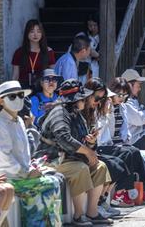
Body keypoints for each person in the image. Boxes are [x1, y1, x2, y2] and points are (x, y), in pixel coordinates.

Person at [0, 81, 62, 226]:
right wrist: (27, 172)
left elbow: (24, 155)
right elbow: (3, 160)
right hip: (2, 176)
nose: (18, 99)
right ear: (1, 101)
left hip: (18, 174)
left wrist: (31, 169)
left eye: (20, 95)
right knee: (51, 183)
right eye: (12, 96)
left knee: (53, 180)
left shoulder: (19, 120)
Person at [35, 79, 113, 226]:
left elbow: (80, 141)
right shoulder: (59, 113)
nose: (85, 100)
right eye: (82, 98)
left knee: (100, 167)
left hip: (68, 159)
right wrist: (88, 152)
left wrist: (91, 142)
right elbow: (64, 138)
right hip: (51, 161)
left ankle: (92, 212)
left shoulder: (76, 114)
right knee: (80, 169)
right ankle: (78, 216)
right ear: (74, 100)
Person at [97, 77, 145, 202]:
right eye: (119, 95)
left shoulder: (123, 107)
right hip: (107, 145)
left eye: (124, 95)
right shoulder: (105, 107)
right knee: (133, 153)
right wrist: (107, 111)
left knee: (137, 154)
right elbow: (103, 132)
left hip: (121, 143)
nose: (121, 98)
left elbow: (124, 131)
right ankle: (137, 191)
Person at [81, 79, 135, 214]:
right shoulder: (84, 110)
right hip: (86, 151)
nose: (99, 101)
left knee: (119, 164)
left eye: (102, 98)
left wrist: (107, 114)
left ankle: (103, 200)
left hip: (94, 148)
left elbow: (104, 133)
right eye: (97, 98)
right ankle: (100, 203)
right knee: (112, 164)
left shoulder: (98, 109)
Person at [11, 19, 56, 91]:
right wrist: (14, 91)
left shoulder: (49, 52)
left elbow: (52, 74)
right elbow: (15, 76)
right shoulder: (19, 52)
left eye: (38, 31)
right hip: (24, 90)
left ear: (42, 33)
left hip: (43, 89)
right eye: (32, 31)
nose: (35, 34)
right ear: (27, 33)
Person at [72, 13, 100, 79]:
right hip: (82, 69)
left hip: (97, 70)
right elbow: (73, 52)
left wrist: (97, 56)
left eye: (95, 25)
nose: (92, 28)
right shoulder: (81, 36)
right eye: (90, 25)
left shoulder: (103, 38)